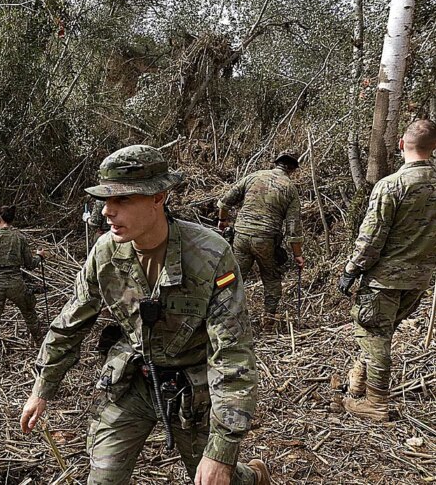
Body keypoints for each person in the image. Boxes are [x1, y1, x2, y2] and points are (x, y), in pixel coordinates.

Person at [20, 145, 269, 485]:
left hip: (192, 389)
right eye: (105, 200)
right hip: (135, 380)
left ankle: (253, 476)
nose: (107, 211)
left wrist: (222, 450)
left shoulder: (210, 255)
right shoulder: (105, 253)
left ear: (158, 197)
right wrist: (42, 388)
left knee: (218, 478)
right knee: (103, 479)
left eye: (122, 200)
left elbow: (233, 355)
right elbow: (71, 323)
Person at [337, 119, 436, 422]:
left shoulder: (391, 185)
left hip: (385, 278)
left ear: (400, 145)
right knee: (379, 332)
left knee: (376, 333)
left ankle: (375, 402)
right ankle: (359, 379)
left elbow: (371, 238)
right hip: (419, 278)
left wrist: (351, 270)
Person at [217, 152, 305, 327]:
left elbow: (225, 201)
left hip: (241, 236)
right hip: (266, 240)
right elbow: (293, 226)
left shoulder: (253, 176)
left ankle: (223, 312)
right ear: (293, 169)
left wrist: (222, 220)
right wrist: (298, 255)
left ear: (276, 164)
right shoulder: (290, 188)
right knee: (271, 278)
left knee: (233, 276)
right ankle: (268, 319)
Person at [0, 205, 47, 371]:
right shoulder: (19, 238)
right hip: (16, 283)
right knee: (30, 314)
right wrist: (39, 257)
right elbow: (30, 264)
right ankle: (43, 350)